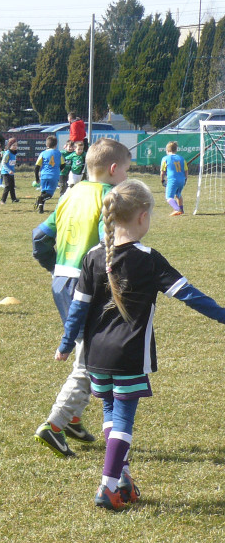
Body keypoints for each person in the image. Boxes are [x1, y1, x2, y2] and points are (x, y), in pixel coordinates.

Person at [54, 179, 225, 510]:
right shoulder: (148, 259)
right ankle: (107, 486)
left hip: (94, 356)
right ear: (142, 216)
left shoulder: (93, 257)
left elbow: (77, 308)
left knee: (109, 410)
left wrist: (64, 344)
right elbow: (190, 296)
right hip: (129, 356)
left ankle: (122, 479)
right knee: (124, 420)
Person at [31, 138, 131, 458]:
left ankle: (74, 419)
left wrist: (56, 268)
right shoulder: (113, 198)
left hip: (63, 280)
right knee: (91, 360)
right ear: (114, 170)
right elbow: (122, 251)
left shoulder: (70, 193)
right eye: (127, 172)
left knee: (85, 348)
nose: (127, 178)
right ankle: (55, 423)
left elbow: (40, 238)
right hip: (91, 286)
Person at [33, 135, 63, 214]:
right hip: (53, 175)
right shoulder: (58, 153)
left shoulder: (42, 153)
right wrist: (58, 170)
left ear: (47, 145)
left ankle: (41, 209)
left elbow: (37, 166)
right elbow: (63, 164)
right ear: (56, 145)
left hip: (44, 175)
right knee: (49, 195)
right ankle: (40, 199)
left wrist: (37, 178)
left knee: (43, 192)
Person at [160, 141, 187, 216]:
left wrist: (162, 180)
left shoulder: (165, 158)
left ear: (167, 150)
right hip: (182, 179)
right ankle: (181, 209)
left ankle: (177, 209)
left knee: (168, 197)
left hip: (173, 180)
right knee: (178, 194)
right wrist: (185, 179)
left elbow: (163, 171)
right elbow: (186, 170)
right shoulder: (181, 158)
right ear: (176, 150)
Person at [0, 137, 19, 203]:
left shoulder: (14, 153)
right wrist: (8, 170)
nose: (15, 147)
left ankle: (13, 199)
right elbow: (3, 163)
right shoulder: (7, 153)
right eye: (13, 145)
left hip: (11, 172)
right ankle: (3, 200)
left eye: (16, 145)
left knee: (12, 186)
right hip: (6, 172)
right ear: (10, 145)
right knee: (7, 186)